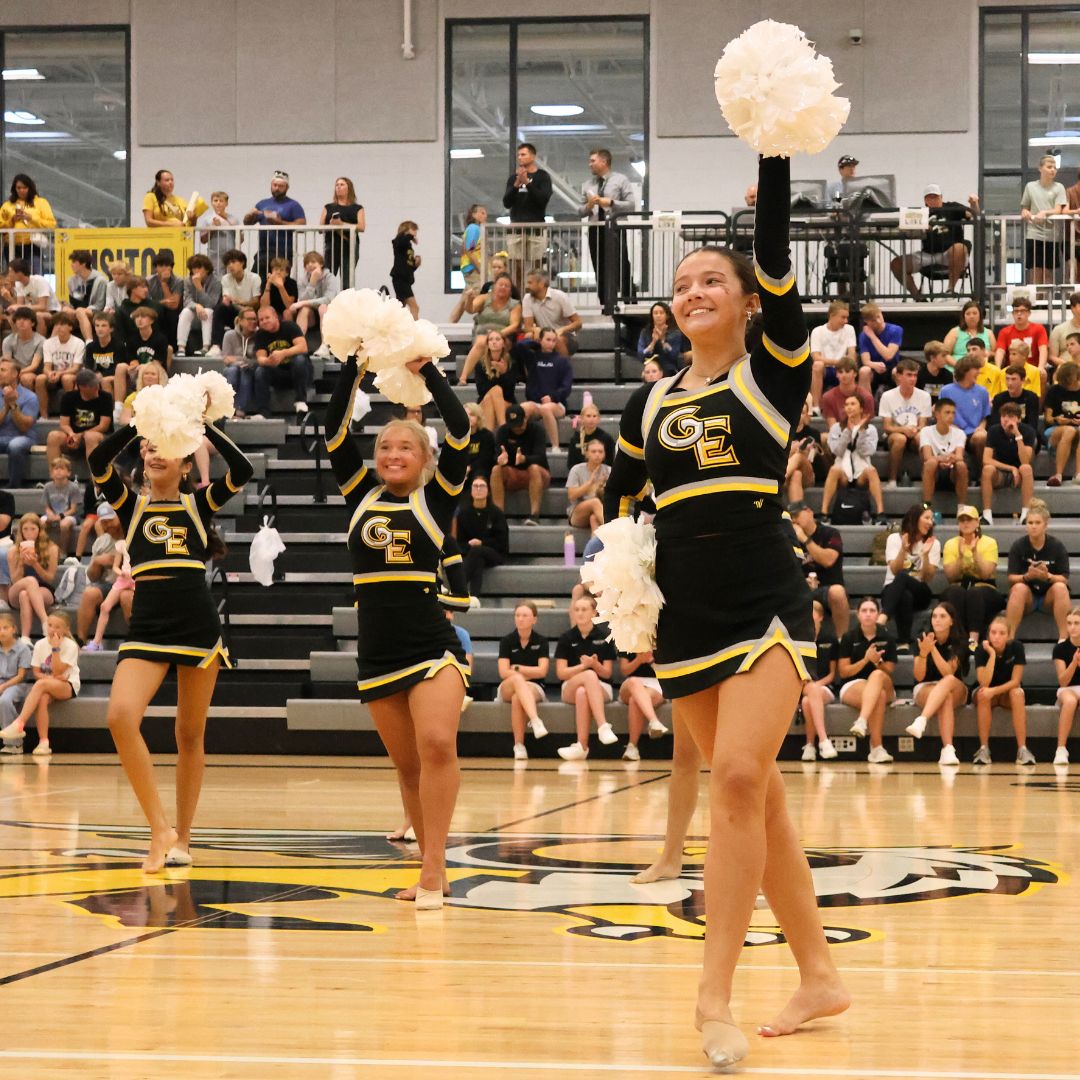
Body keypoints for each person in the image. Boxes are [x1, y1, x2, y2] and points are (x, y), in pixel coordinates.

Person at [602, 154, 848, 1066]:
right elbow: (624, 502)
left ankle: (713, 997)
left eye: (713, 279)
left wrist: (771, 152)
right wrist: (619, 568)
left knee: (738, 779)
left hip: (765, 598)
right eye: (682, 284)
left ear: (747, 302)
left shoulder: (773, 373)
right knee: (762, 796)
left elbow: (775, 249)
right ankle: (820, 973)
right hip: (686, 616)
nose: (694, 291)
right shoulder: (649, 400)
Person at [323, 349, 471, 909]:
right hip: (377, 650)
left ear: (423, 457)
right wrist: (354, 367)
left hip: (430, 644)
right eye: (384, 445)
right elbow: (335, 428)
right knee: (408, 766)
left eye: (404, 445)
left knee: (436, 745)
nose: (391, 453)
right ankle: (429, 866)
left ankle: (434, 872)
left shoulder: (437, 500)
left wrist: (428, 370)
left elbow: (459, 428)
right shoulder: (360, 496)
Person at [87, 400, 254, 872]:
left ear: (184, 463)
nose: (156, 454)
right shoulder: (130, 504)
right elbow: (98, 461)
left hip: (197, 626)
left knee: (188, 733)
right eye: (150, 448)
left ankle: (184, 837)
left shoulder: (198, 504)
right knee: (121, 716)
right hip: (148, 627)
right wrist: (137, 423)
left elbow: (240, 468)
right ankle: (158, 828)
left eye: (168, 449)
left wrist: (203, 427)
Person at [0, 610, 79, 756]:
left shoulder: (71, 646)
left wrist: (56, 648)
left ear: (66, 629)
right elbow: (36, 673)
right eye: (50, 625)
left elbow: (57, 672)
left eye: (57, 627)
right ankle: (44, 742)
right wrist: (50, 679)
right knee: (41, 698)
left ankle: (19, 724)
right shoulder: (40, 645)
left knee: (40, 685)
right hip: (50, 683)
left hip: (68, 686)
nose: (52, 630)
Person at [905, 601, 968, 766]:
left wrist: (932, 649)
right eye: (934, 616)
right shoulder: (921, 638)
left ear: (951, 621)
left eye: (942, 616)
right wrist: (924, 653)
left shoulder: (962, 641)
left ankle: (922, 719)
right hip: (926, 687)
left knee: (947, 682)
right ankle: (948, 749)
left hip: (955, 686)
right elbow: (919, 677)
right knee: (944, 697)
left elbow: (948, 672)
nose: (937, 620)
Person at [554, 595, 617, 761]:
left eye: (584, 609)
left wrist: (595, 665)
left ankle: (582, 746)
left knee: (583, 692)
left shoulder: (605, 636)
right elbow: (561, 673)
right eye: (577, 610)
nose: (580, 613)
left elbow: (607, 674)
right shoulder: (566, 638)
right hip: (569, 686)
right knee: (587, 676)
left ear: (594, 613)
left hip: (602, 687)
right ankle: (603, 725)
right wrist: (584, 667)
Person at [890, 186, 979, 299]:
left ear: (941, 197)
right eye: (929, 198)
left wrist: (974, 203)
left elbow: (974, 214)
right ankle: (917, 296)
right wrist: (917, 228)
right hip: (927, 255)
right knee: (896, 264)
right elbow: (905, 230)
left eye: (935, 197)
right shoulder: (920, 214)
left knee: (959, 248)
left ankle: (950, 290)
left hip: (950, 254)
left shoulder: (952, 207)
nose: (933, 200)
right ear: (925, 201)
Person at [838, 596, 896, 762]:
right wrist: (865, 660)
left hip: (884, 682)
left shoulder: (887, 637)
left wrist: (877, 661)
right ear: (858, 614)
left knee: (877, 675)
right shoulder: (849, 637)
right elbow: (843, 672)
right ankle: (877, 749)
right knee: (879, 696)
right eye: (864, 610)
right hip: (854, 684)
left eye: (872, 610)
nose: (868, 614)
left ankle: (862, 720)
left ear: (878, 614)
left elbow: (890, 670)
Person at [1005, 498, 1070, 640]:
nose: (1033, 526)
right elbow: (1011, 577)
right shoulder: (1018, 546)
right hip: (1028, 598)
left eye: (1037, 523)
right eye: (1030, 523)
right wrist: (1027, 576)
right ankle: (1009, 640)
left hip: (1048, 598)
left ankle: (1064, 639)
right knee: (1018, 588)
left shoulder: (1057, 546)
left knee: (1060, 588)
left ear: (1045, 525)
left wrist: (1048, 576)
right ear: (1026, 525)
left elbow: (1064, 578)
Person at [972, 615, 1033, 766]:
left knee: (1017, 692)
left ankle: (1022, 749)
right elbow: (984, 682)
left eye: (1001, 633)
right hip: (986, 693)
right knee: (982, 694)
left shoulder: (1017, 647)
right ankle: (984, 749)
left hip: (1007, 692)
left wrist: (994, 691)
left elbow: (1015, 681)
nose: (996, 637)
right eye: (993, 633)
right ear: (988, 634)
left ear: (1008, 636)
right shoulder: (981, 650)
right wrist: (992, 654)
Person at [941, 504, 1003, 648]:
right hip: (959, 585)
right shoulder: (951, 544)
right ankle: (958, 638)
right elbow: (950, 576)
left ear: (977, 522)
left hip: (985, 587)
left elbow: (986, 573)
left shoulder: (989, 543)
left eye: (969, 520)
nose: (966, 523)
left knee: (974, 593)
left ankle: (973, 639)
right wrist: (960, 556)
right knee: (955, 592)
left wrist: (975, 553)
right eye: (962, 520)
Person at [820, 393, 886, 524]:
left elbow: (868, 451)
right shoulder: (836, 428)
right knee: (833, 470)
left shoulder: (870, 429)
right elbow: (837, 451)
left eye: (853, 404)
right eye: (847, 404)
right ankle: (824, 513)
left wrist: (860, 432)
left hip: (861, 472)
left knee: (872, 471)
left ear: (861, 408)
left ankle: (880, 513)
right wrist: (847, 432)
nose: (849, 407)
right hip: (843, 472)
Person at [580, 148, 634, 303]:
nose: (589, 164)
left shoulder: (621, 180)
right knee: (599, 265)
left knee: (621, 264)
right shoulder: (587, 185)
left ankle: (628, 299)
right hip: (595, 229)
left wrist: (610, 202)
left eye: (593, 161)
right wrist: (589, 206)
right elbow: (579, 210)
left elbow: (631, 205)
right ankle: (605, 302)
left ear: (604, 161)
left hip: (614, 229)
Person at [881, 503, 941, 647]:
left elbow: (928, 578)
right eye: (926, 518)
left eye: (931, 519)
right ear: (915, 518)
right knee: (904, 594)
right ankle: (903, 643)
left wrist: (925, 555)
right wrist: (903, 549)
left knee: (902, 578)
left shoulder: (933, 543)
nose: (930, 522)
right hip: (893, 589)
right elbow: (894, 570)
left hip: (920, 591)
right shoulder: (895, 539)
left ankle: (882, 619)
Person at [498, 601, 550, 760]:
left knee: (517, 696)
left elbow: (542, 671)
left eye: (525, 615)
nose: (520, 619)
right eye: (517, 615)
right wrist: (525, 674)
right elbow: (503, 672)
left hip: (535, 686)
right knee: (517, 681)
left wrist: (518, 669)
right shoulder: (506, 641)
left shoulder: (541, 641)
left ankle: (519, 746)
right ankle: (535, 720)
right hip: (508, 685)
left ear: (534, 619)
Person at [789, 502, 849, 636]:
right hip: (803, 590)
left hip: (827, 589)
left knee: (838, 592)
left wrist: (805, 539)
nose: (794, 521)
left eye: (796, 515)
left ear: (809, 512)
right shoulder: (789, 540)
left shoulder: (830, 533)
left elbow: (828, 560)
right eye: (791, 518)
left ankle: (842, 641)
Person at [489, 403, 551, 527]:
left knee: (533, 468)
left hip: (537, 474)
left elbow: (540, 457)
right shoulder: (502, 431)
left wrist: (524, 459)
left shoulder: (537, 430)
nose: (517, 429)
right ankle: (498, 517)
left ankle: (535, 515)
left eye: (519, 425)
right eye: (513, 426)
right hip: (513, 473)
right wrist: (500, 460)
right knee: (496, 470)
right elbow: (496, 455)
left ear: (525, 418)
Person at [515, 328, 573, 450]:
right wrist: (536, 344)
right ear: (540, 340)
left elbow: (566, 387)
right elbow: (520, 345)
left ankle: (555, 446)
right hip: (535, 402)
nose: (551, 343)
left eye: (553, 340)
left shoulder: (562, 361)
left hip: (556, 403)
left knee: (546, 409)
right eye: (547, 340)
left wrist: (552, 397)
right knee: (521, 409)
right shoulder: (533, 357)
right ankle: (522, 446)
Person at [452, 474, 508, 598]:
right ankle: (474, 597)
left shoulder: (496, 513)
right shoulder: (464, 514)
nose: (478, 489)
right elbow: (460, 542)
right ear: (471, 490)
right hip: (472, 554)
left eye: (482, 486)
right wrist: (469, 545)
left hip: (495, 553)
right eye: (475, 486)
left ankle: (458, 588)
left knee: (477, 551)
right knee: (478, 558)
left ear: (488, 491)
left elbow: (502, 542)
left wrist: (482, 543)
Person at [878, 358, 932, 487]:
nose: (912, 379)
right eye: (909, 375)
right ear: (899, 376)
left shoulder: (925, 396)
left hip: (914, 433)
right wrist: (903, 430)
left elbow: (923, 424)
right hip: (895, 434)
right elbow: (887, 427)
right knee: (900, 439)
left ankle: (928, 477)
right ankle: (892, 480)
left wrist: (915, 430)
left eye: (915, 375)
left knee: (922, 437)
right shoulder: (887, 396)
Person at [7, 513, 59, 643]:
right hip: (17, 589)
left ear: (40, 530)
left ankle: (25, 637)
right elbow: (15, 580)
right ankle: (45, 621)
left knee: (25, 595)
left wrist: (35, 564)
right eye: (25, 529)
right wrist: (21, 563)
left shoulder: (52, 548)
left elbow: (50, 578)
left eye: (33, 529)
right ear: (21, 531)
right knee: (29, 582)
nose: (29, 533)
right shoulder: (13, 551)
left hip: (43, 588)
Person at [46, 368, 113, 470]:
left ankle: (97, 481)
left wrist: (81, 435)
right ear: (81, 387)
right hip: (75, 437)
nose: (96, 387)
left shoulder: (106, 397)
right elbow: (64, 424)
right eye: (92, 386)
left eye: (97, 384)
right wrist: (72, 435)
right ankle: (55, 477)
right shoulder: (68, 397)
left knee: (90, 437)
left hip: (98, 438)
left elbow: (103, 426)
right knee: (53, 436)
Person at [981, 403, 1035, 526]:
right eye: (1003, 416)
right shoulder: (994, 430)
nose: (1006, 420)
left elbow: (1025, 460)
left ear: (1019, 419)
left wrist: (1017, 435)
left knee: (1026, 468)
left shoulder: (1027, 431)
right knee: (987, 469)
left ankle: (1026, 514)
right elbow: (986, 459)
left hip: (1020, 476)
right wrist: (1011, 468)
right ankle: (987, 515)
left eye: (1011, 416)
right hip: (1000, 474)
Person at [502, 142, 553, 274]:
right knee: (516, 267)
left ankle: (536, 293)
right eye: (518, 155)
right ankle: (519, 294)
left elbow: (543, 200)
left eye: (523, 154)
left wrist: (528, 184)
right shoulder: (513, 178)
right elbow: (507, 202)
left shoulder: (543, 177)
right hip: (516, 228)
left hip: (536, 228)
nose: (520, 157)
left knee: (537, 267)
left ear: (532, 156)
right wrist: (516, 185)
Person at [252, 306, 311, 417]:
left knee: (300, 359)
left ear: (275, 317)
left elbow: (303, 347)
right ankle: (263, 412)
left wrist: (283, 353)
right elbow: (260, 358)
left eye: (267, 318)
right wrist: (268, 361)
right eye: (261, 320)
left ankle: (301, 400)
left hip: (298, 373)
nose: (264, 321)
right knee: (260, 370)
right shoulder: (260, 334)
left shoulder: (290, 326)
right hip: (278, 373)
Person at [243, 170, 306, 271]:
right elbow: (247, 223)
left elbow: (302, 226)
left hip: (283, 253)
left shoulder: (293, 205)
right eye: (275, 185)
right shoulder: (262, 203)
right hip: (263, 252)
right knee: (258, 281)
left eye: (281, 186)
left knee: (280, 283)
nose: (277, 188)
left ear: (287, 187)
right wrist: (250, 215)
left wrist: (279, 222)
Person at [1020, 155, 1068, 285]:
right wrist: (1025, 212)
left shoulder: (1059, 187)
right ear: (1040, 168)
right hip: (1033, 234)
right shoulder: (1030, 187)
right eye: (1049, 167)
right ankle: (1035, 304)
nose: (1053, 170)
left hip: (1051, 235)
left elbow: (1058, 210)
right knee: (1034, 271)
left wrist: (1045, 213)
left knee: (1047, 273)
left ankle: (1047, 304)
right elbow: (1025, 207)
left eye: (1055, 168)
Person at [800, 600, 838, 761]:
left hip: (824, 687)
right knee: (808, 694)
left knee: (807, 702)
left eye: (812, 612)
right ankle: (823, 740)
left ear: (820, 617)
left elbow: (832, 674)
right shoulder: (798, 639)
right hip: (801, 685)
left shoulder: (830, 639)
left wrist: (816, 685)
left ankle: (810, 745)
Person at [938, 356, 990, 467]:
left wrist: (981, 427)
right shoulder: (946, 391)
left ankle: (983, 473)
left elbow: (984, 417)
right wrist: (953, 428)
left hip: (974, 433)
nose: (979, 372)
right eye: (976, 369)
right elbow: (941, 416)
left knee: (981, 437)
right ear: (965, 371)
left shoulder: (982, 391)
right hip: (953, 431)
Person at [619, 650, 668, 762]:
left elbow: (667, 672)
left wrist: (650, 661)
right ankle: (654, 721)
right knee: (634, 682)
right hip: (631, 683)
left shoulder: (661, 640)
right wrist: (639, 660)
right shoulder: (627, 637)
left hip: (655, 683)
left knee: (635, 700)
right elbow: (624, 670)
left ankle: (632, 747)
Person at [920, 398, 969, 507]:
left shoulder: (960, 433)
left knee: (961, 465)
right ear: (937, 414)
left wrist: (949, 459)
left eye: (953, 413)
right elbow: (927, 456)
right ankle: (927, 506)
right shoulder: (926, 431)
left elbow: (959, 457)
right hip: (934, 472)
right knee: (931, 463)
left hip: (952, 472)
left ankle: (962, 507)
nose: (951, 416)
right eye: (947, 412)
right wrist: (946, 458)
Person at [0, 175, 56, 269]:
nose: (21, 190)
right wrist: (12, 221)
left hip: (33, 244)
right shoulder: (7, 205)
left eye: (24, 187)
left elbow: (51, 224)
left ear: (30, 188)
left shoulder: (41, 202)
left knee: (35, 275)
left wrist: (31, 218)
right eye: (18, 188)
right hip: (11, 246)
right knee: (14, 277)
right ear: (14, 188)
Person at [522, 270, 582, 357]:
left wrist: (562, 330)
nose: (527, 286)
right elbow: (528, 327)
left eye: (530, 283)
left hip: (565, 335)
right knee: (528, 337)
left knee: (557, 339)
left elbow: (578, 323)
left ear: (542, 284)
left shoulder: (560, 296)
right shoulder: (527, 299)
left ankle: (562, 368)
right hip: (543, 334)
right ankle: (533, 369)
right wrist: (536, 330)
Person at [290, 251, 340, 354]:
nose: (310, 265)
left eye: (313, 262)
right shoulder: (303, 280)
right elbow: (303, 299)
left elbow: (328, 299)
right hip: (312, 316)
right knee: (304, 309)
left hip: (327, 313)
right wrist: (312, 282)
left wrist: (304, 303)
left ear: (321, 264)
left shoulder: (330, 277)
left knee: (322, 307)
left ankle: (324, 346)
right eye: (307, 263)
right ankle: (298, 344)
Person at [319, 177, 364, 289]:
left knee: (347, 280)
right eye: (337, 185)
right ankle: (328, 304)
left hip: (349, 246)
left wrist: (341, 224)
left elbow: (361, 226)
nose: (338, 187)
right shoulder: (328, 207)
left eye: (342, 184)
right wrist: (331, 225)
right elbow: (320, 228)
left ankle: (346, 304)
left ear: (349, 188)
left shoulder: (357, 208)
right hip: (331, 246)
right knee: (328, 278)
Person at [0, 357, 39, 488]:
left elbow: (24, 427)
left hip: (23, 437)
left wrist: (13, 405)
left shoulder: (30, 397)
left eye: (2, 370)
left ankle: (14, 486)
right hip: (2, 437)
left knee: (15, 445)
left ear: (15, 374)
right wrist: (6, 407)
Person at [809, 300, 856, 408]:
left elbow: (852, 355)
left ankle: (854, 404)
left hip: (844, 368)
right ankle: (815, 406)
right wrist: (839, 361)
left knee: (851, 368)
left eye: (847, 317)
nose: (846, 321)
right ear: (832, 316)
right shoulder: (818, 331)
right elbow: (816, 357)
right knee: (817, 366)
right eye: (843, 317)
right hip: (826, 369)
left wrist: (842, 364)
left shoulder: (849, 329)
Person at [37, 312, 84, 417]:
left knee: (66, 378)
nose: (59, 327)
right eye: (56, 324)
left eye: (62, 324)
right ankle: (43, 416)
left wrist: (60, 373)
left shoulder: (78, 343)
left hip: (71, 374)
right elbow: (47, 366)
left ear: (70, 327)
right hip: (54, 374)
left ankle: (71, 414)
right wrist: (49, 373)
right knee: (40, 379)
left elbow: (76, 368)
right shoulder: (48, 343)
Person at [214, 249, 263, 347]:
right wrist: (238, 306)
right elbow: (228, 300)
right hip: (236, 311)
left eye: (233, 262)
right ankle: (216, 346)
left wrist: (243, 303)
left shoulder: (254, 278)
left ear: (242, 263)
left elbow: (256, 302)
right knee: (219, 308)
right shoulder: (226, 279)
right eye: (228, 263)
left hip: (251, 312)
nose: (230, 266)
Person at [176, 254, 221, 356]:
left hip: (209, 314)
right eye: (193, 268)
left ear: (207, 269)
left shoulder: (216, 282)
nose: (196, 271)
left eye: (199, 267)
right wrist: (196, 306)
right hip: (195, 311)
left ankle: (205, 347)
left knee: (208, 311)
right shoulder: (187, 280)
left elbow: (211, 304)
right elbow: (186, 300)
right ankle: (181, 347)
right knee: (185, 311)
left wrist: (199, 287)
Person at [1052, 606, 1080, 765]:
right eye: (1069, 623)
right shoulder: (1060, 649)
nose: (1072, 627)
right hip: (1067, 689)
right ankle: (1061, 749)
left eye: (1077, 623)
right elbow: (1063, 681)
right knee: (1070, 702)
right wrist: (1074, 663)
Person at [1045, 360, 1080, 485]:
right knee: (1069, 430)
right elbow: (1048, 418)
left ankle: (1078, 474)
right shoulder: (1055, 390)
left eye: (1068, 381)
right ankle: (1058, 474)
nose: (1065, 385)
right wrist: (1057, 419)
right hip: (1056, 430)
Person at [566, 438, 610, 535]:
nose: (597, 454)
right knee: (594, 502)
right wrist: (590, 483)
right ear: (586, 454)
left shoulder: (609, 471)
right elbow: (571, 495)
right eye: (593, 451)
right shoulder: (576, 470)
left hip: (600, 511)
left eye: (600, 451)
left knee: (594, 518)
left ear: (604, 454)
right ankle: (614, 532)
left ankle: (594, 549)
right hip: (577, 513)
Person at [221, 307, 260, 418]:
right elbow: (227, 359)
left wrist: (240, 361)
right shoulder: (229, 335)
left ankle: (240, 410)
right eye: (249, 319)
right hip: (233, 368)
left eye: (255, 319)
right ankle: (227, 408)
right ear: (240, 321)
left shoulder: (259, 336)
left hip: (251, 369)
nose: (253, 322)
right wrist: (242, 361)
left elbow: (258, 360)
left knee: (246, 371)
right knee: (232, 370)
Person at [857, 303, 902, 396]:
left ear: (881, 313)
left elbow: (888, 355)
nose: (878, 321)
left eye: (879, 316)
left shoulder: (896, 330)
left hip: (892, 368)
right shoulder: (863, 336)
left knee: (898, 372)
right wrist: (874, 365)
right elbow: (866, 361)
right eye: (873, 320)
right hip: (874, 369)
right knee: (864, 371)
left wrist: (872, 336)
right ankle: (866, 406)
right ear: (866, 321)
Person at [994, 296, 1049, 373]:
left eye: (1022, 311)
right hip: (1012, 371)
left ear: (1029, 313)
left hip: (1033, 369)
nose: (1019, 314)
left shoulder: (1039, 329)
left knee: (1044, 374)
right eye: (1016, 311)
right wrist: (997, 368)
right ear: (1012, 314)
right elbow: (1000, 351)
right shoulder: (1005, 332)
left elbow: (1043, 349)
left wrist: (1041, 367)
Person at [63, 249, 108, 342]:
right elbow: (73, 302)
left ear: (83, 264)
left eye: (74, 262)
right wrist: (67, 307)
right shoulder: (71, 281)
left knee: (80, 311)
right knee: (64, 312)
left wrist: (79, 310)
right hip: (78, 311)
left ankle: (89, 342)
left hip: (95, 312)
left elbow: (99, 305)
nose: (71, 265)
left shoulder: (100, 280)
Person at [7, 257, 59, 336]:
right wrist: (14, 307)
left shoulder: (39, 281)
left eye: (11, 271)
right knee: (13, 317)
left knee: (38, 315)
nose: (9, 275)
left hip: (51, 312)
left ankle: (40, 345)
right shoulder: (19, 284)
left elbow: (42, 306)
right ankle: (19, 342)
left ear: (19, 272)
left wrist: (20, 307)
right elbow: (20, 305)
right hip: (33, 312)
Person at [39, 455, 80, 554]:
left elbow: (73, 509)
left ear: (68, 472)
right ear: (51, 473)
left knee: (64, 525)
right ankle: (43, 549)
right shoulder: (48, 487)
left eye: (61, 468)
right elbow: (47, 506)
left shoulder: (73, 487)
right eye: (55, 469)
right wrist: (50, 514)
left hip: (69, 515)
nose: (58, 471)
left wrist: (60, 516)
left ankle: (62, 552)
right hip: (53, 514)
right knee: (41, 523)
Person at [0, 614, 31, 744]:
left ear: (14, 629)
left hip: (17, 685)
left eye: (5, 628)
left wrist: (3, 687)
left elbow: (21, 676)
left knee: (4, 701)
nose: (1, 632)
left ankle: (13, 743)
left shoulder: (23, 649)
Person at [785, 403, 824, 504]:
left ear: (806, 415)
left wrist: (808, 451)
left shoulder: (813, 433)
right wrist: (793, 448)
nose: (798, 415)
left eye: (802, 413)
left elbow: (816, 456)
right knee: (796, 474)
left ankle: (779, 477)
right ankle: (796, 513)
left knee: (799, 456)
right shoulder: (784, 433)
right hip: (791, 475)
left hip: (808, 473)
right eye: (796, 412)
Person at [195, 190, 239, 276]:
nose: (218, 203)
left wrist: (229, 224)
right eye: (215, 200)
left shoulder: (233, 219)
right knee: (216, 278)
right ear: (212, 203)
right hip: (215, 255)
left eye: (221, 201)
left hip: (231, 255)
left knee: (232, 278)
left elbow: (241, 239)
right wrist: (213, 229)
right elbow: (203, 240)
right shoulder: (207, 220)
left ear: (226, 203)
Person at [2, 306, 45, 392]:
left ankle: (28, 403)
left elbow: (34, 366)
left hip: (32, 372)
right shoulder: (8, 340)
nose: (21, 321)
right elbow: (7, 362)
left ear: (32, 323)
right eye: (18, 319)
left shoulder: (41, 341)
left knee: (26, 378)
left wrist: (15, 374)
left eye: (25, 319)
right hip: (13, 370)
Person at [84, 312, 127, 399]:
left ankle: (111, 410)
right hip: (98, 375)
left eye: (103, 326)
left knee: (104, 381)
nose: (100, 329)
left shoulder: (119, 345)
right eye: (97, 325)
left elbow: (118, 367)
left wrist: (101, 375)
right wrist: (93, 375)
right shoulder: (90, 347)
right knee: (82, 380)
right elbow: (88, 366)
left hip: (116, 376)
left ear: (111, 329)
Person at [820, 356, 873, 425]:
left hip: (862, 433)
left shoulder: (866, 397)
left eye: (847, 371)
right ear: (836, 374)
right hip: (838, 434)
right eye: (840, 372)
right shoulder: (828, 397)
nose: (844, 375)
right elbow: (832, 428)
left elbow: (865, 426)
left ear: (855, 374)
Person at [636, 302, 686, 374]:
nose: (658, 315)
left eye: (661, 313)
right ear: (652, 316)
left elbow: (674, 355)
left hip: (669, 367)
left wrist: (663, 341)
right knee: (650, 371)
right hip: (650, 367)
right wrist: (653, 342)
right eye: (655, 313)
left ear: (667, 315)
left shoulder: (675, 333)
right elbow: (641, 354)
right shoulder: (645, 332)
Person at [990, 363, 1040, 431]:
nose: (1009, 383)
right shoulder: (999, 398)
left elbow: (1032, 424)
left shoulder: (1031, 398)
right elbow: (994, 424)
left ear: (1022, 380)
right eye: (1007, 379)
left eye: (1013, 379)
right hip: (1003, 434)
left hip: (1025, 433)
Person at [567, 402, 615, 470]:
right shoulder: (575, 438)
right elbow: (571, 463)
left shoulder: (606, 438)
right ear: (581, 418)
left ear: (598, 419)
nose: (591, 419)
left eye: (594, 416)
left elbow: (610, 461)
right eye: (588, 416)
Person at [391, 221, 421, 318]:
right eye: (413, 230)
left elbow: (408, 266)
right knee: (414, 307)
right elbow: (400, 242)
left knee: (401, 307)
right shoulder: (399, 241)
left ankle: (398, 326)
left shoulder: (407, 246)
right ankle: (415, 328)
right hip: (400, 279)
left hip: (405, 279)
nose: (415, 233)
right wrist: (411, 237)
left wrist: (416, 264)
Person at [457, 203, 486, 295]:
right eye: (482, 213)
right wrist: (480, 268)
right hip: (472, 268)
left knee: (466, 297)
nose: (485, 216)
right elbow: (470, 250)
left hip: (471, 268)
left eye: (485, 214)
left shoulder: (477, 229)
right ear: (473, 214)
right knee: (477, 295)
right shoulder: (474, 228)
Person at [1049, 291, 1080, 368]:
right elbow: (1052, 357)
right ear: (1072, 308)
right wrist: (1069, 365)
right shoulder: (1058, 330)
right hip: (1066, 372)